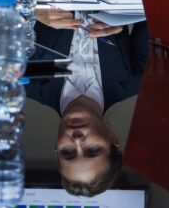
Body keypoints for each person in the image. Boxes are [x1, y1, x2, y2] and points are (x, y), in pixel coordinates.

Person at [27, 21, 150, 196]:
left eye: (68, 152)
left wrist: (37, 13)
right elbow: (153, 7)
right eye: (92, 150)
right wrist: (123, 18)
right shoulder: (136, 78)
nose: (77, 140)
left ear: (57, 146)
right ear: (112, 138)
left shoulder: (27, 80)